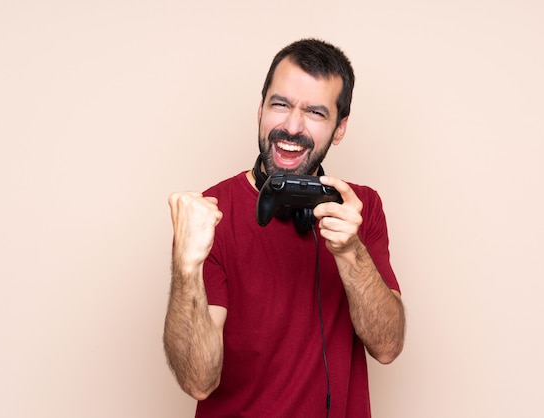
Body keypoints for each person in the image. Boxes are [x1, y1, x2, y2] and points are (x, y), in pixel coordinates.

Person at [164, 38, 405, 417]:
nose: (292, 127)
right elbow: (199, 380)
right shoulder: (209, 212)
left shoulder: (361, 209)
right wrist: (186, 266)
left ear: (339, 129)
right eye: (281, 105)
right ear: (260, 109)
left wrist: (350, 252)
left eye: (315, 112)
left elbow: (387, 346)